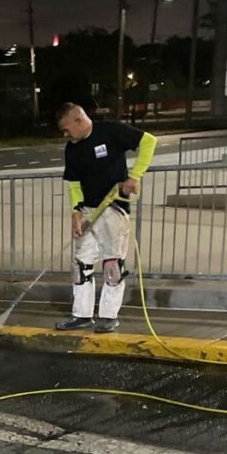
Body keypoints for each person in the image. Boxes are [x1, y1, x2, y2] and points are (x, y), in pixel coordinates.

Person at [53, 103, 157, 333]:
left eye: (66, 128)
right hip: (89, 211)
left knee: (112, 264)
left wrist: (134, 176)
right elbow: (73, 183)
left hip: (113, 209)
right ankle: (82, 315)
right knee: (81, 264)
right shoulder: (72, 149)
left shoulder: (110, 131)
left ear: (79, 120)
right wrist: (76, 212)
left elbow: (149, 141)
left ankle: (109, 316)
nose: (65, 134)